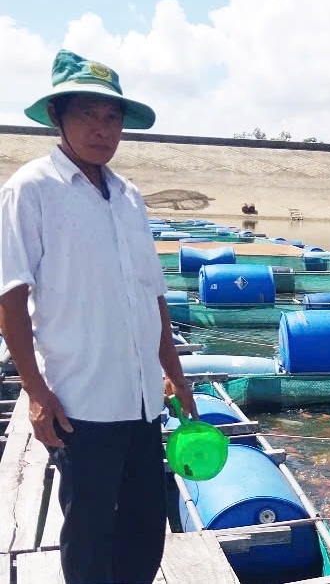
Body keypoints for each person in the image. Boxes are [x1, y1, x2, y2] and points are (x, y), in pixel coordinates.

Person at [0, 49, 198, 584]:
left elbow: (151, 294)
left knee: (144, 527)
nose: (102, 128)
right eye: (88, 113)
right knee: (87, 534)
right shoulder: (30, 189)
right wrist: (37, 394)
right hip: (80, 403)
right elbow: (10, 298)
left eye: (112, 117)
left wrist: (176, 376)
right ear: (59, 116)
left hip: (139, 400)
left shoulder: (129, 197)